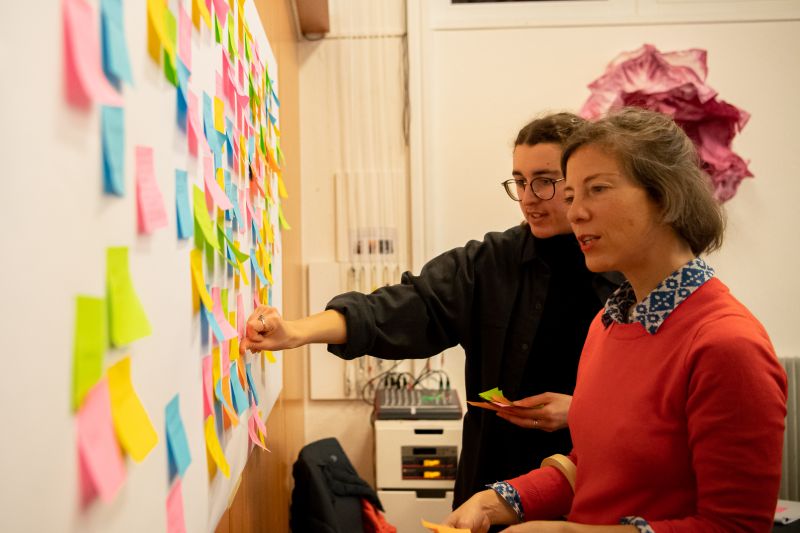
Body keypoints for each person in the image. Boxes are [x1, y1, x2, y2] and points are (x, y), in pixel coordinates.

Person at [241, 113, 622, 508]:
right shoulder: (490, 262)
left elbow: (654, 402)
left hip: (593, 487)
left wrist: (581, 412)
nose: (528, 197)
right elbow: (404, 305)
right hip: (492, 479)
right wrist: (297, 332)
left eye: (544, 181)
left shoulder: (627, 272)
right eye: (520, 182)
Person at [445, 107, 787, 532]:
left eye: (597, 189)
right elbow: (589, 465)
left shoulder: (726, 345)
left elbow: (736, 526)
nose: (576, 213)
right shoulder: (609, 323)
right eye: (570, 196)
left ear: (665, 196)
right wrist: (502, 499)